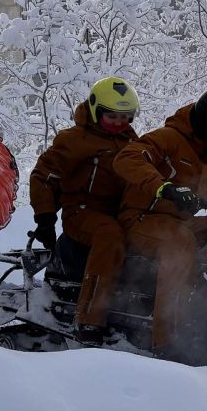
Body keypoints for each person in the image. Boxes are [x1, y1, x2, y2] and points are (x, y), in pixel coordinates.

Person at [114, 87, 207, 353]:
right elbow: (126, 158)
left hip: (176, 222)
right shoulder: (168, 139)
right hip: (141, 219)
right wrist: (164, 187)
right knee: (179, 242)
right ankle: (167, 341)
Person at [29, 76, 140, 343]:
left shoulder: (131, 141)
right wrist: (45, 216)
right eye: (112, 117)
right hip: (81, 212)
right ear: (95, 110)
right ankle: (89, 317)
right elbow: (43, 176)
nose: (119, 123)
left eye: (125, 117)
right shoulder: (74, 139)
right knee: (109, 234)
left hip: (117, 212)